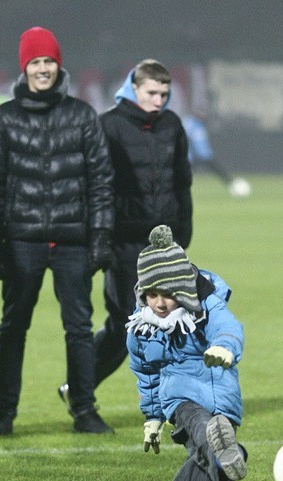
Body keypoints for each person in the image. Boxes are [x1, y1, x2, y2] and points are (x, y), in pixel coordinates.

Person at [0, 26, 115, 436]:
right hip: (22, 242)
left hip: (73, 242)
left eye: (49, 61)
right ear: (25, 68)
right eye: (35, 62)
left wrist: (101, 241)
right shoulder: (4, 118)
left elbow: (102, 183)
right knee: (13, 327)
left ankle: (85, 410)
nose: (42, 69)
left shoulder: (82, 115)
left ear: (59, 66)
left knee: (78, 328)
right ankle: (3, 415)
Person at [58, 58, 192, 409]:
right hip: (123, 241)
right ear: (133, 88)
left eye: (164, 94)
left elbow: (182, 181)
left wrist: (184, 231)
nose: (159, 100)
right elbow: (94, 186)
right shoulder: (108, 126)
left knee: (169, 320)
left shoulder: (172, 125)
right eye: (152, 92)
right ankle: (80, 389)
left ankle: (172, 400)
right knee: (126, 326)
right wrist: (101, 237)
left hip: (163, 243)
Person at [126, 225, 247, 481]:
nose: (159, 303)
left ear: (182, 287)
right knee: (204, 428)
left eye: (166, 293)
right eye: (151, 295)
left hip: (223, 399)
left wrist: (225, 346)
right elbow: (146, 373)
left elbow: (229, 326)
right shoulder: (141, 328)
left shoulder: (207, 305)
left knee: (212, 473)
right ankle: (220, 444)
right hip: (181, 400)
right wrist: (152, 417)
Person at [181, 111, 252, 198]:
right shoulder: (189, 123)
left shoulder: (200, 125)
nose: (203, 115)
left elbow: (201, 142)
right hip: (192, 157)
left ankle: (230, 183)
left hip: (204, 156)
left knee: (217, 169)